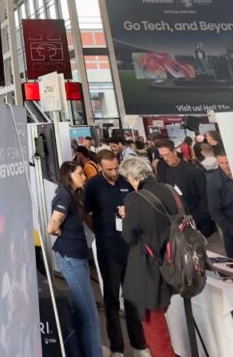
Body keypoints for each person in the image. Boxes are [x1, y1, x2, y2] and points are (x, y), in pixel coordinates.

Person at [84, 150, 147, 357]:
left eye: (115, 168)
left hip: (129, 247)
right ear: (100, 167)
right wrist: (101, 231)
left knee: (132, 297)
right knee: (111, 298)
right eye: (109, 169)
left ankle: (139, 344)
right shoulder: (93, 186)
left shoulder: (126, 181)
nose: (113, 172)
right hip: (107, 248)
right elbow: (87, 213)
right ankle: (117, 347)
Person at [120, 156, 177, 357]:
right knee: (161, 325)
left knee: (155, 332)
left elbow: (129, 236)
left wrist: (126, 215)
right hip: (173, 267)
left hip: (148, 272)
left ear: (133, 177)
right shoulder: (170, 191)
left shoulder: (135, 199)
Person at [46, 162, 103, 357]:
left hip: (77, 255)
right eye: (80, 173)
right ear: (68, 175)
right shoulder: (64, 196)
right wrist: (59, 229)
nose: (84, 176)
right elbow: (51, 227)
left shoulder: (72, 195)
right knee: (89, 314)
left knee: (84, 312)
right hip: (71, 258)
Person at [153, 138, 215, 237]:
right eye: (162, 155)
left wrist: (194, 216)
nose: (165, 158)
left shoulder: (193, 171)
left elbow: (205, 199)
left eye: (167, 154)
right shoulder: (162, 166)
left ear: (175, 151)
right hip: (173, 219)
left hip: (194, 219)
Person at [207, 147, 233, 259]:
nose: (226, 166)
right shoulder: (213, 181)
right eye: (221, 163)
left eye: (228, 162)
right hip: (232, 229)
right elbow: (215, 211)